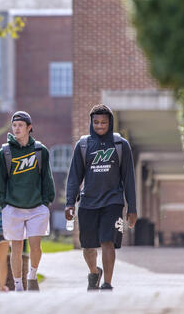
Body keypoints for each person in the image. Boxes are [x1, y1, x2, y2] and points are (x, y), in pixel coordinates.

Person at [64, 104, 137, 291]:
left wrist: (132, 208)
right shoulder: (83, 145)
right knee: (88, 246)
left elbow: (129, 179)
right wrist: (69, 203)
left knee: (108, 241)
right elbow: (74, 177)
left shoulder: (121, 145)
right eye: (96, 122)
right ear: (91, 122)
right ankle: (95, 272)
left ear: (110, 122)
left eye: (104, 122)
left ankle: (107, 283)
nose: (100, 126)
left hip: (113, 202)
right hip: (88, 202)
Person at [0, 111, 55, 292]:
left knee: (36, 246)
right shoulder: (5, 152)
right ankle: (19, 285)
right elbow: (0, 180)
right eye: (14, 125)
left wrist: (46, 201)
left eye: (21, 125)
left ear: (29, 128)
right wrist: (2, 203)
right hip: (12, 207)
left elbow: (47, 178)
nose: (17, 128)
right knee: (16, 248)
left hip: (37, 207)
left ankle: (32, 275)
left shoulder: (39, 150)